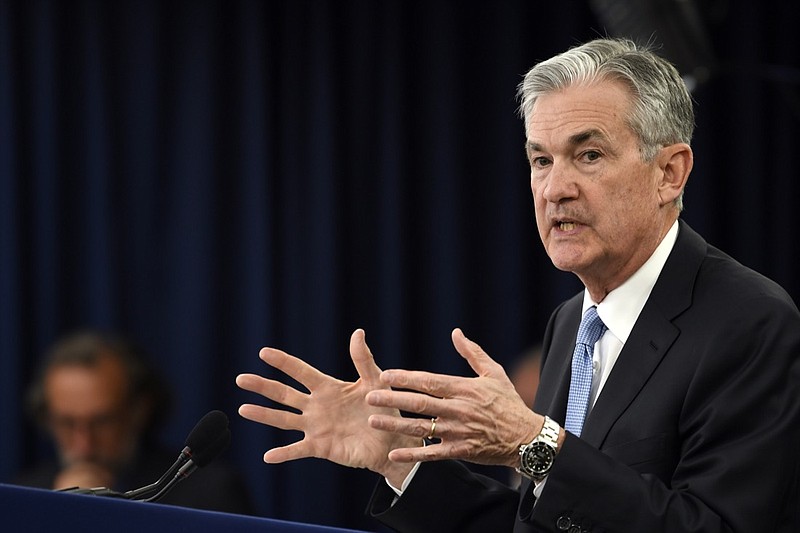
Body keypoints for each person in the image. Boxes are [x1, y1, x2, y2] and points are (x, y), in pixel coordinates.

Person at [235, 37, 800, 532]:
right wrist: (401, 460)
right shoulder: (571, 323)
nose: (555, 189)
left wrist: (536, 447)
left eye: (589, 154)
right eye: (540, 160)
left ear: (669, 172)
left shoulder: (749, 321)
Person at [15, 330, 256, 515]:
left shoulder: (210, 493)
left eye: (101, 422)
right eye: (67, 423)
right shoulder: (21, 496)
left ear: (139, 410)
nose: (83, 445)